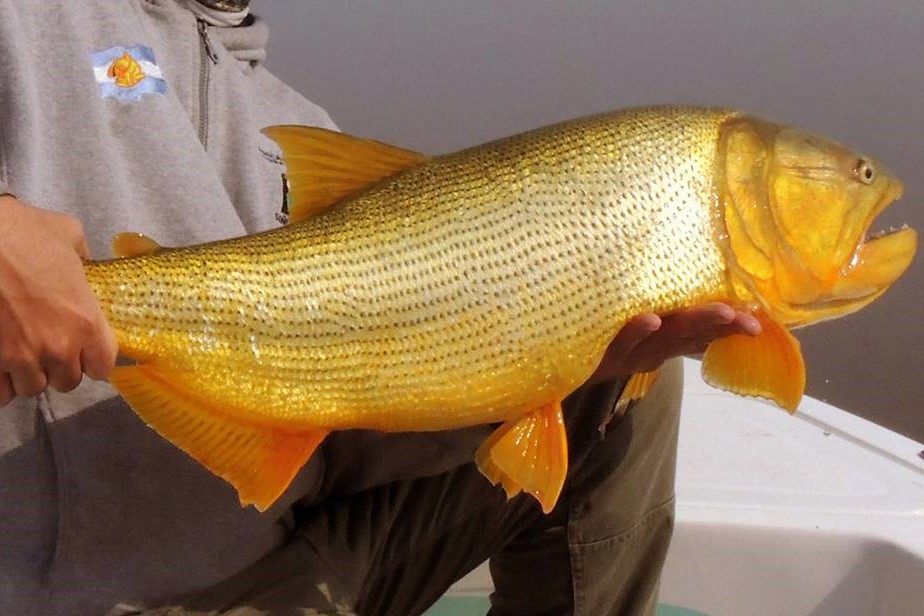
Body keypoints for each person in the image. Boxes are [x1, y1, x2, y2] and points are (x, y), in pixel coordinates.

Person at [0, 1, 760, 615]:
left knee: (621, 388)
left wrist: (525, 375)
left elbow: (345, 453)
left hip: (275, 579)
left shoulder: (293, 122)